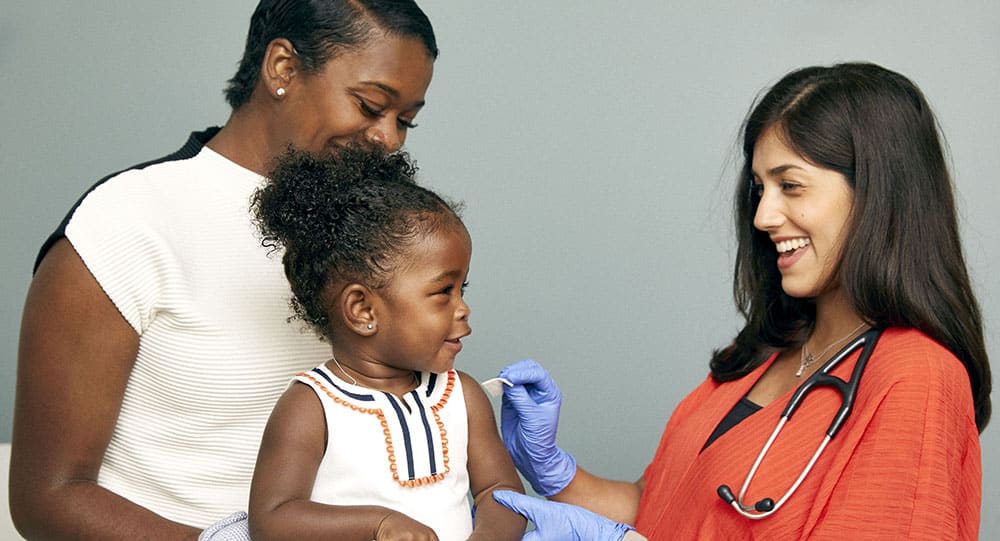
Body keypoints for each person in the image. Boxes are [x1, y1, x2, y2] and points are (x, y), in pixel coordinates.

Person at [491, 62, 992, 540]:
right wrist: (555, 472)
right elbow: (663, 508)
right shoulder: (761, 352)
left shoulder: (917, 379)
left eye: (790, 186)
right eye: (760, 188)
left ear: (878, 194)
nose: (764, 216)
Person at [10, 1, 437, 539]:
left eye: (406, 121)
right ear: (282, 68)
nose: (390, 139)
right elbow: (47, 499)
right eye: (370, 105)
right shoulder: (128, 220)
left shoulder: (376, 235)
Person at [245, 147, 526, 540]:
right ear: (363, 310)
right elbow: (272, 519)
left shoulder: (462, 396)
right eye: (444, 291)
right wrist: (378, 523)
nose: (463, 308)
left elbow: (501, 490)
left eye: (463, 288)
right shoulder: (313, 405)